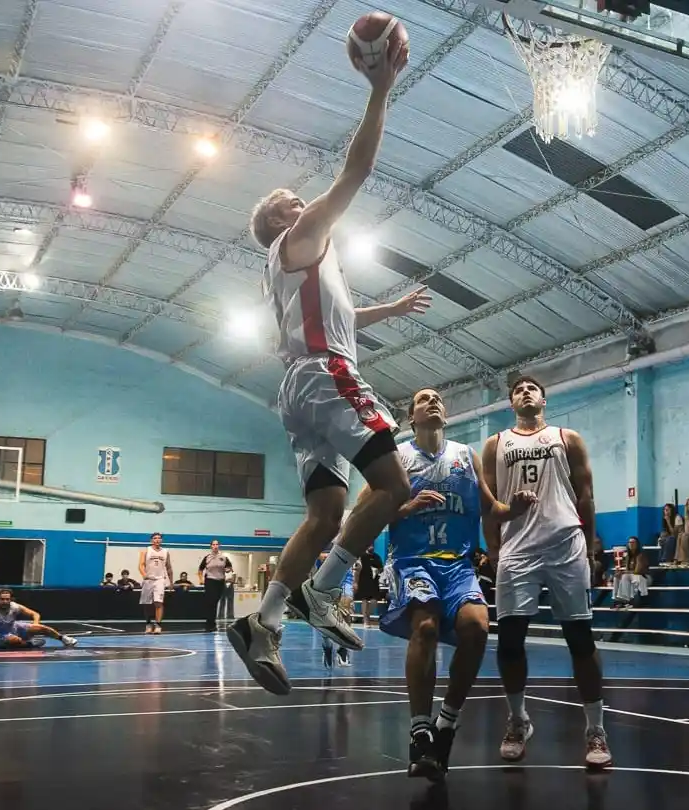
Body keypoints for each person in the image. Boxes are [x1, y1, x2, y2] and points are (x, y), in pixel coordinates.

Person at [229, 34, 425, 698]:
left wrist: (387, 312)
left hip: (298, 385)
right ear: (285, 218)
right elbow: (357, 171)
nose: (300, 198)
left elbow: (334, 323)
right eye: (291, 198)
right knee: (395, 489)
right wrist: (380, 90)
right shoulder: (300, 235)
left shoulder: (294, 268)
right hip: (325, 373)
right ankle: (325, 587)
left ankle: (267, 619)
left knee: (323, 512)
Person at [379, 387, 535, 780]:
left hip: (457, 565)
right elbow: (371, 511)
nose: (433, 401)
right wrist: (405, 507)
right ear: (411, 417)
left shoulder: (465, 455)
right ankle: (419, 730)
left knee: (477, 627)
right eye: (423, 399)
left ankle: (446, 723)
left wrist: (512, 509)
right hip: (413, 562)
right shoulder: (397, 457)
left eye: (438, 398)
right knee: (426, 626)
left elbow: (490, 508)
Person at [482, 376, 612, 769]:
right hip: (516, 549)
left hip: (564, 545)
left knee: (580, 638)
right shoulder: (495, 443)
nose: (525, 391)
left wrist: (589, 547)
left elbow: (586, 495)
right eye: (517, 389)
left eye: (531, 388)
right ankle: (518, 720)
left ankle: (596, 729)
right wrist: (492, 548)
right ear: (510, 403)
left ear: (543, 398)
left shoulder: (566, 437)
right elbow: (487, 500)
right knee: (509, 641)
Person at [0, 589, 77, 650]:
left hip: (13, 628)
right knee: (14, 640)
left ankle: (63, 639)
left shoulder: (14, 606)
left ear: (10, 599)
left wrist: (35, 624)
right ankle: (30, 643)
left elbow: (35, 614)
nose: (5, 601)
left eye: (7, 599)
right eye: (2, 599)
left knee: (41, 628)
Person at [139, 533, 173, 634]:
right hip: (148, 579)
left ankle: (158, 625)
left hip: (160, 579)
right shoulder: (146, 550)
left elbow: (169, 567)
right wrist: (144, 574)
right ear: (151, 540)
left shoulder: (166, 552)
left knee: (158, 602)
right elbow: (140, 565)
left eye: (159, 538)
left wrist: (171, 582)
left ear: (161, 540)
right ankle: (148, 624)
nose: (157, 540)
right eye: (155, 538)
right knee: (146, 603)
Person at [198, 540, 234, 632]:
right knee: (211, 602)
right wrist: (201, 579)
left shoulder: (223, 557)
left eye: (216, 544)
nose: (215, 546)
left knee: (215, 602)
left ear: (219, 546)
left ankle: (212, 623)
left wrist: (228, 570)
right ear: (211, 546)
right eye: (213, 544)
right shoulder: (207, 557)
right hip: (210, 581)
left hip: (220, 581)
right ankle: (209, 624)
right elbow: (200, 569)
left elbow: (229, 568)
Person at [611, 536, 649, 608]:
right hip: (632, 576)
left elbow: (637, 571)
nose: (631, 544)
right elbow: (628, 570)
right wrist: (620, 573)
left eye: (633, 542)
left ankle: (626, 600)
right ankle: (617, 600)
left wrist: (624, 573)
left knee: (625, 576)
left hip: (644, 577)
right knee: (617, 577)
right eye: (629, 542)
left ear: (637, 544)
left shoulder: (641, 555)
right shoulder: (628, 556)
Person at [354, 546, 384, 627]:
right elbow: (357, 570)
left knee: (374, 601)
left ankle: (367, 616)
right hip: (363, 582)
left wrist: (378, 570)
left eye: (372, 545)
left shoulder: (377, 557)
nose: (371, 547)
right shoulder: (362, 556)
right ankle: (366, 621)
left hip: (374, 582)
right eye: (369, 545)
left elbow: (382, 568)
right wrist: (355, 582)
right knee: (365, 600)